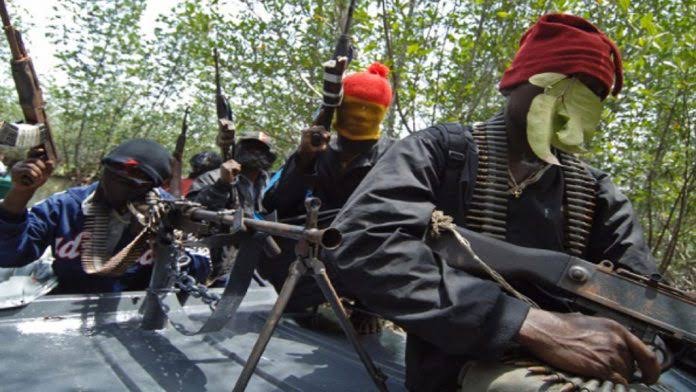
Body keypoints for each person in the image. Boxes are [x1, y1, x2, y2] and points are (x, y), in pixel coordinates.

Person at [325, 14, 665, 391]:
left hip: (581, 366)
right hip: (456, 366)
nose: (570, 104)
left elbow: (646, 300)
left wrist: (647, 345)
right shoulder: (440, 152)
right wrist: (523, 322)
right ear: (516, 81)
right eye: (560, 84)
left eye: (590, 93)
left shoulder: (596, 192)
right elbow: (363, 242)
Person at [261, 62, 396, 334]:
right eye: (353, 107)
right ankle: (308, 304)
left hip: (364, 253)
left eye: (368, 110)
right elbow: (276, 204)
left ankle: (363, 308)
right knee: (263, 240)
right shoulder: (317, 147)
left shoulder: (394, 155)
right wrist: (304, 160)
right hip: (311, 249)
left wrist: (370, 307)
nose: (358, 116)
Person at [0, 139, 210, 294]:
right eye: (115, 171)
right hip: (65, 304)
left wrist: (166, 249)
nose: (120, 183)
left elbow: (200, 270)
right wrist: (21, 192)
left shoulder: (172, 214)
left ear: (155, 185)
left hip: (134, 310)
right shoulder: (66, 205)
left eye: (136, 180)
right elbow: (9, 255)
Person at [187, 131, 277, 283]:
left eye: (260, 150)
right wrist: (222, 184)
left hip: (266, 261)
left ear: (270, 156)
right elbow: (192, 213)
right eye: (248, 147)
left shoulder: (274, 182)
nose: (253, 153)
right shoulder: (212, 177)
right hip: (222, 265)